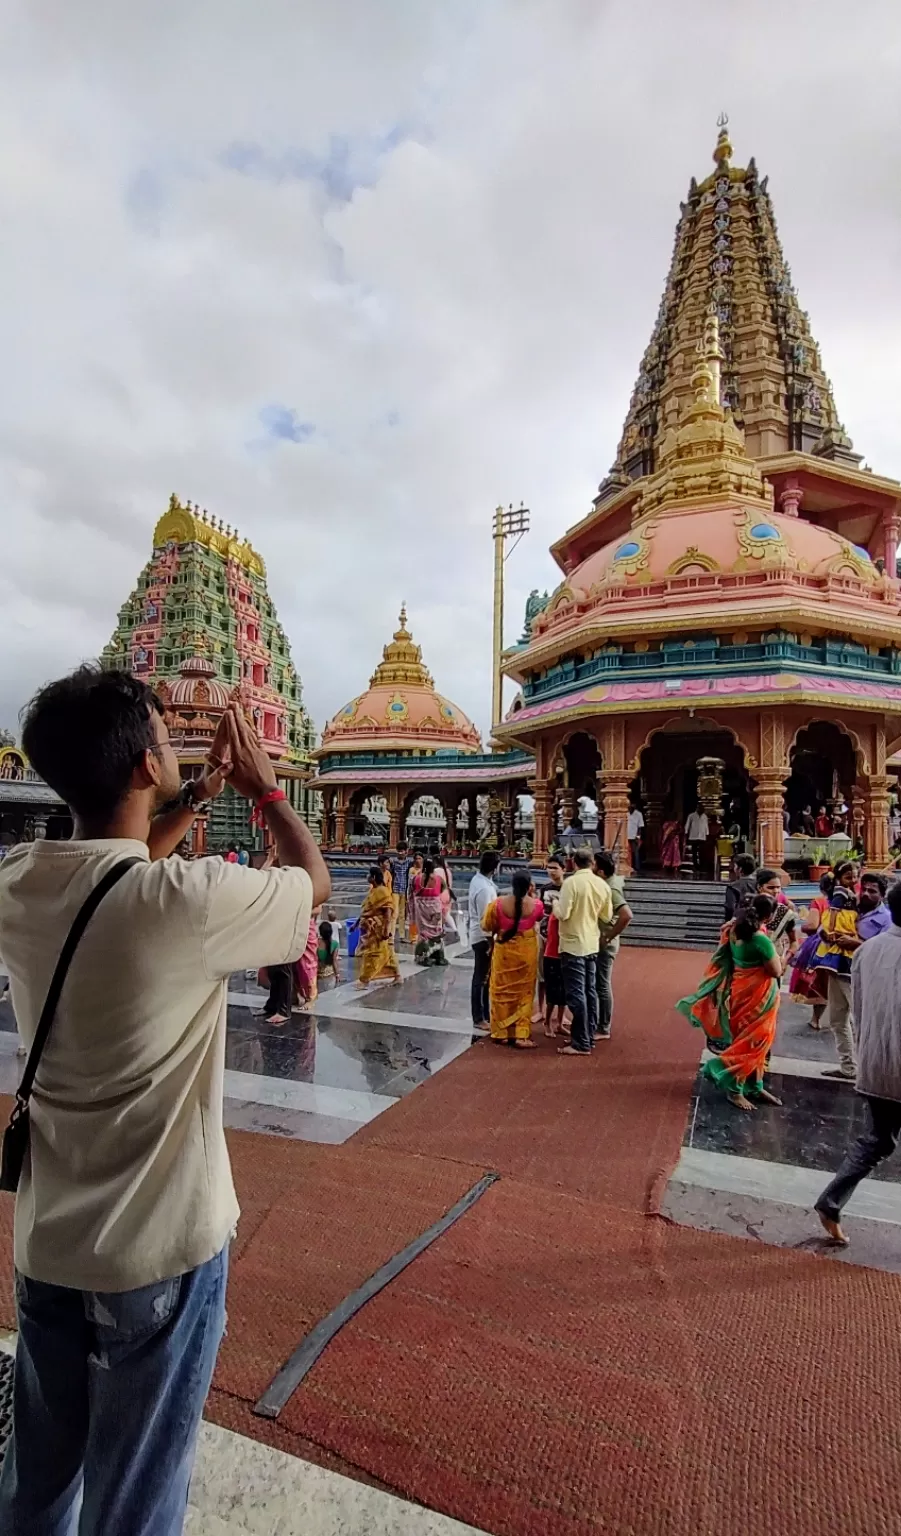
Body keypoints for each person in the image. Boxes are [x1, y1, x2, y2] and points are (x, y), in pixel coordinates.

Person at [0, 667, 330, 1533]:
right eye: (162, 735)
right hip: (158, 1251)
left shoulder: (20, 882)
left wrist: (197, 795)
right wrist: (264, 793)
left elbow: (108, 875)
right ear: (148, 764)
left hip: (47, 1242)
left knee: (36, 1482)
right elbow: (313, 884)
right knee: (136, 1494)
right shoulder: (189, 901)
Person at [815, 880, 901, 1245]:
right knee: (877, 1141)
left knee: (876, 1141)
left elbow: (861, 1011)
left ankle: (831, 1201)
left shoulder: (868, 951)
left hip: (877, 1063)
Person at [677, 894, 783, 1112]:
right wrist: (785, 956)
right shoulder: (760, 939)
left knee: (750, 1041)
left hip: (739, 993)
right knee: (752, 1042)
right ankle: (733, 1087)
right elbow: (775, 971)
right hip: (758, 997)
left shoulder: (732, 930)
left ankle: (755, 1085)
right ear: (769, 916)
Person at [556, 850, 612, 1056]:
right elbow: (606, 916)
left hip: (573, 944)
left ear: (573, 863)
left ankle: (581, 1042)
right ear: (592, 863)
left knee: (577, 993)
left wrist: (554, 904)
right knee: (590, 991)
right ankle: (587, 1035)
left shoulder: (571, 883)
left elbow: (563, 913)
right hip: (591, 943)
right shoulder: (602, 885)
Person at [480, 873, 541, 1048]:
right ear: (530, 885)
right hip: (527, 951)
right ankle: (521, 1034)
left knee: (501, 991)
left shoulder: (497, 904)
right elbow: (538, 917)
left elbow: (486, 925)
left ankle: (501, 1032)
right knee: (525, 992)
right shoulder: (536, 905)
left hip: (504, 951)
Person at [594, 850, 633, 1039]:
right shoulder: (610, 882)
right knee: (597, 983)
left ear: (601, 871)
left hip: (605, 942)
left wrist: (608, 936)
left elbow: (626, 915)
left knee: (602, 984)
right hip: (599, 939)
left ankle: (604, 1027)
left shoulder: (612, 888)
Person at [789, 872, 835, 1029]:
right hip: (842, 947)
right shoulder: (850, 902)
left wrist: (803, 925)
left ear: (822, 888)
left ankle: (816, 1019)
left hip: (822, 947)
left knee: (819, 982)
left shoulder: (820, 902)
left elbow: (813, 925)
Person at [468, 851, 499, 1033]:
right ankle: (478, 1017)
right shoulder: (485, 889)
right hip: (482, 938)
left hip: (481, 934)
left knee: (485, 979)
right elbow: (485, 920)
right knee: (480, 978)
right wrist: (491, 943)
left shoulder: (479, 881)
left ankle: (485, 1014)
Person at [357, 867, 401, 986]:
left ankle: (364, 979)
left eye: (369, 875)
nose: (367, 877)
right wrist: (357, 923)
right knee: (385, 952)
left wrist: (386, 928)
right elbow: (366, 909)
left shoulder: (383, 891)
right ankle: (396, 975)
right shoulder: (373, 890)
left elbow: (387, 911)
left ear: (374, 877)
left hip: (379, 928)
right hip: (370, 928)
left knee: (373, 953)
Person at [410, 859, 447, 966]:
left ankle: (423, 957)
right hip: (435, 909)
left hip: (421, 909)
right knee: (437, 932)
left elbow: (412, 891)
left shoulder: (417, 878)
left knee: (423, 933)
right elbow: (443, 888)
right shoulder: (438, 879)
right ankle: (438, 956)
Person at [389, 843, 414, 939]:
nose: (401, 853)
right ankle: (391, 934)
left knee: (402, 914)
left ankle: (402, 935)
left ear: (406, 851)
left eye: (402, 851)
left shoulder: (409, 863)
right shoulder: (393, 862)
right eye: (399, 851)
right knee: (394, 913)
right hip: (395, 889)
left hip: (404, 890)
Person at [724, 853, 758, 920]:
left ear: (740, 869)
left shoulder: (733, 886)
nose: (734, 868)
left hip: (738, 921)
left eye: (735, 866)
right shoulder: (760, 884)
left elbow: (730, 907)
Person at [684, 805, 709, 874]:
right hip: (693, 836)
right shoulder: (691, 816)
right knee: (694, 852)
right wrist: (686, 832)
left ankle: (701, 866)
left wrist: (707, 834)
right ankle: (695, 866)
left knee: (702, 852)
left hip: (702, 837)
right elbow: (687, 825)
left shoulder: (705, 816)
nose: (702, 810)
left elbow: (706, 826)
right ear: (697, 808)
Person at [627, 801, 644, 874]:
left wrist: (638, 837)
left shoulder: (638, 814)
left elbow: (640, 827)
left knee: (635, 853)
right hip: (626, 836)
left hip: (634, 837)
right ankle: (628, 866)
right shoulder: (625, 813)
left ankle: (637, 868)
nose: (631, 806)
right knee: (626, 853)